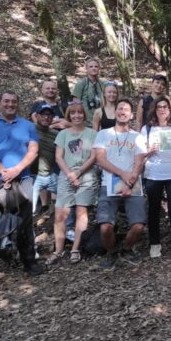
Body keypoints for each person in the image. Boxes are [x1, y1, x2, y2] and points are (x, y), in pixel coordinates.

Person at [0, 91, 44, 276]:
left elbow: (33, 150)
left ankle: (29, 261)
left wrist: (16, 170)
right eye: (6, 101)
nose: (10, 104)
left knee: (25, 221)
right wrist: (2, 170)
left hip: (22, 179)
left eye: (14, 102)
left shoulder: (28, 126)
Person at [93, 99, 148, 270]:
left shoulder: (137, 136)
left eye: (126, 109)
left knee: (138, 226)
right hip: (108, 183)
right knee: (105, 227)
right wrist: (122, 173)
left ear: (132, 115)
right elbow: (100, 159)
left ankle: (126, 249)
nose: (122, 111)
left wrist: (130, 180)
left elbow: (140, 162)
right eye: (120, 108)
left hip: (133, 184)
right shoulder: (103, 134)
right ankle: (111, 252)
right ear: (115, 112)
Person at [46, 103, 99, 265]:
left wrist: (78, 173)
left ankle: (75, 248)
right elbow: (59, 157)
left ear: (84, 115)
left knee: (81, 214)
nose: (77, 116)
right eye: (73, 113)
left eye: (80, 113)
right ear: (69, 115)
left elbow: (93, 157)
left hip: (87, 175)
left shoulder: (92, 133)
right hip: (66, 174)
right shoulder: (62, 134)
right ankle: (58, 250)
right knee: (60, 214)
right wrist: (70, 174)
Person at [142, 96, 171, 259]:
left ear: (170, 110)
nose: (162, 109)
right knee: (154, 209)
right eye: (159, 106)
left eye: (165, 106)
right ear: (154, 110)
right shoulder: (147, 129)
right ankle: (155, 243)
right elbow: (140, 155)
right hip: (153, 174)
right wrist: (149, 150)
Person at [31, 105, 59, 215]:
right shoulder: (29, 129)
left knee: (67, 200)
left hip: (50, 175)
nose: (46, 117)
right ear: (37, 116)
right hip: (33, 176)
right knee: (30, 210)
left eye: (49, 115)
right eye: (43, 115)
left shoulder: (56, 134)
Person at [72, 57, 104, 127]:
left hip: (100, 122)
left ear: (99, 69)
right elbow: (75, 105)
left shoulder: (102, 84)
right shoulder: (81, 84)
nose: (94, 68)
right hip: (86, 123)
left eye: (96, 66)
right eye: (91, 66)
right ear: (86, 68)